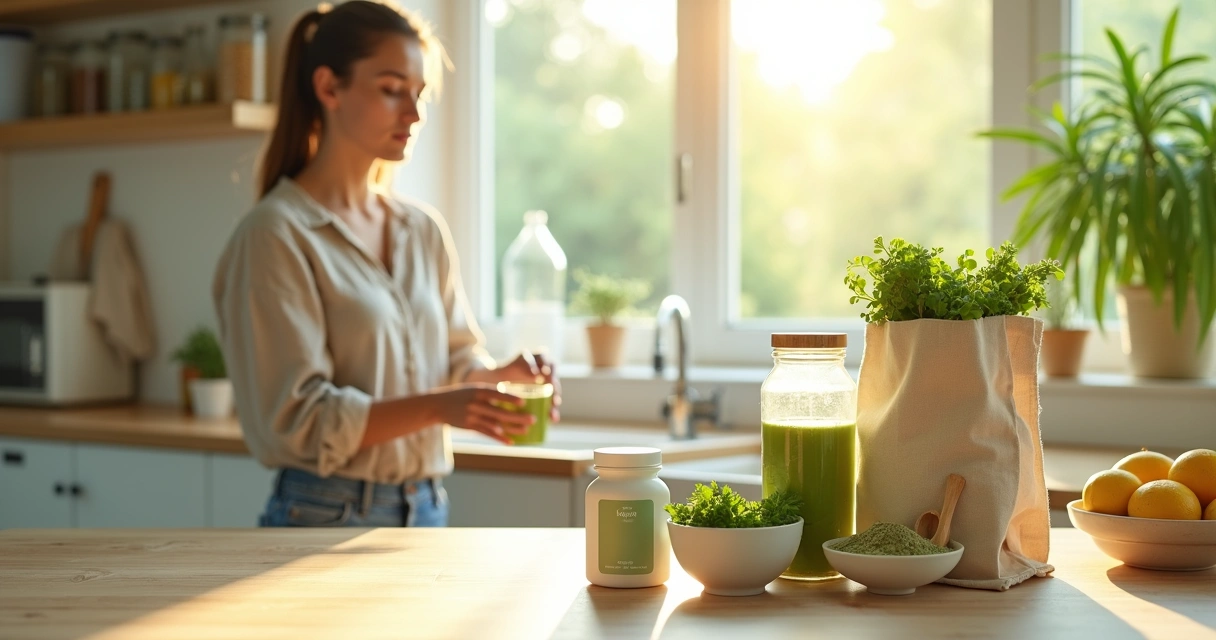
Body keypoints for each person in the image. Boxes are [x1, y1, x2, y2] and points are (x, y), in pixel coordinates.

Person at [212, 0, 559, 528]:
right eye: (393, 89)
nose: (414, 115)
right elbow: (297, 421)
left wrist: (492, 381)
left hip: (427, 507)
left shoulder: (422, 230)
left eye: (418, 94)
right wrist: (443, 407)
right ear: (329, 88)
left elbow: (451, 362)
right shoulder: (275, 235)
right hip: (323, 513)